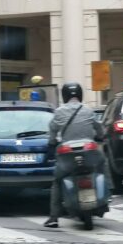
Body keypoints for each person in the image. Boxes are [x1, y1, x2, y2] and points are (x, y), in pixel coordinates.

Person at [43, 82, 104, 228]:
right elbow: (98, 127)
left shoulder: (59, 112)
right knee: (102, 164)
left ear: (64, 96)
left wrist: (52, 142)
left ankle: (53, 218)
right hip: (89, 151)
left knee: (57, 181)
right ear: (80, 95)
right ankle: (108, 194)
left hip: (67, 153)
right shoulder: (88, 110)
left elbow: (52, 131)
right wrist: (100, 137)